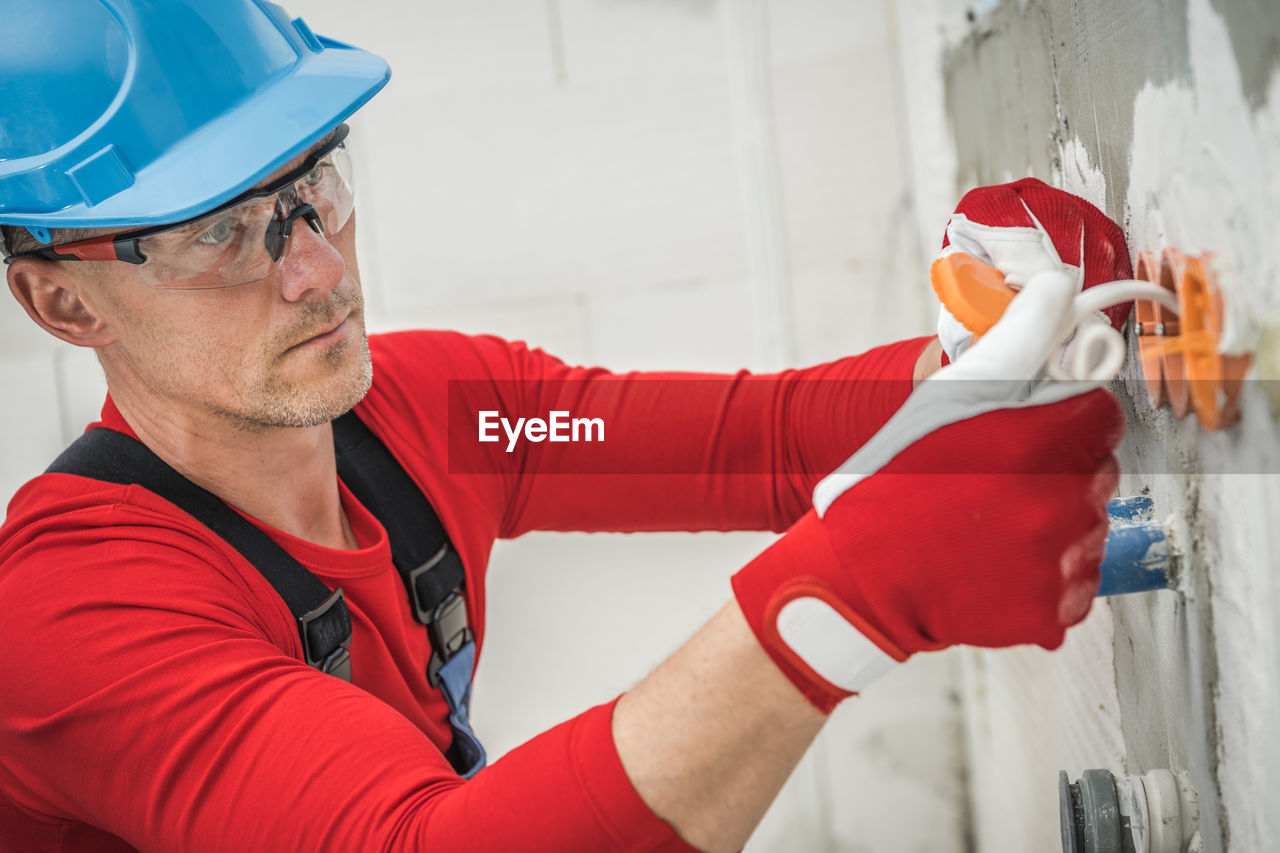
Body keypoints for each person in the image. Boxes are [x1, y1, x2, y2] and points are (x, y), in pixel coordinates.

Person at [0, 3, 1129, 851]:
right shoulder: (67, 614)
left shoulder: (439, 416)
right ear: (64, 301)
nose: (316, 268)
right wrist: (842, 604)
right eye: (220, 234)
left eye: (314, 187)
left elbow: (766, 445)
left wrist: (990, 343)